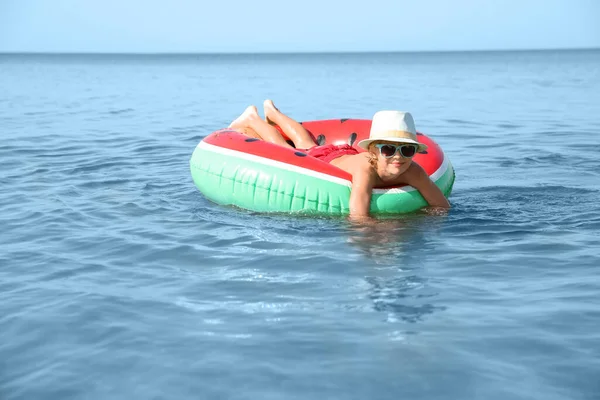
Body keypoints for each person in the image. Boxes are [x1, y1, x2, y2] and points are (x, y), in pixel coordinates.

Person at [228, 100, 451, 221]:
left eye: (407, 150)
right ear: (373, 150)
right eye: (389, 149)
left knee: (306, 141)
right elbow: (358, 215)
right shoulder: (366, 169)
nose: (398, 157)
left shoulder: (413, 171)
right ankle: (254, 119)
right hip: (326, 160)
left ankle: (274, 113)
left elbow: (441, 206)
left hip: (346, 153)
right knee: (292, 146)